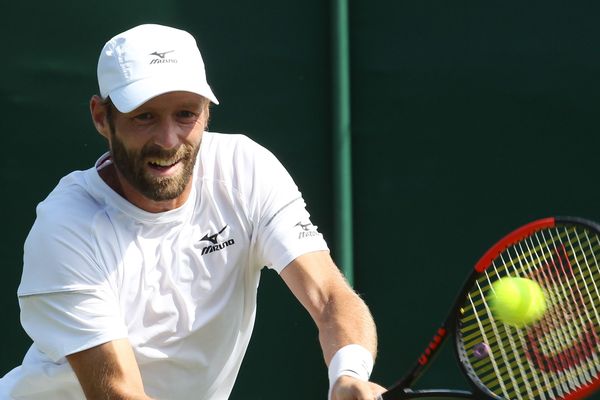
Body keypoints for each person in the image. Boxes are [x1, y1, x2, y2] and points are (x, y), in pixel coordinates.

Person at [0, 24, 385, 400]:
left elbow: (330, 296)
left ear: (206, 113)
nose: (168, 141)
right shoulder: (66, 227)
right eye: (144, 116)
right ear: (102, 117)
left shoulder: (246, 171)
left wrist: (347, 376)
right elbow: (120, 392)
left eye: (186, 114)